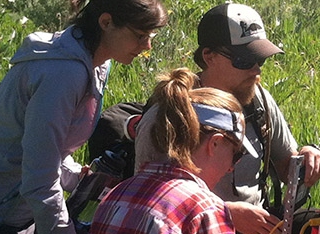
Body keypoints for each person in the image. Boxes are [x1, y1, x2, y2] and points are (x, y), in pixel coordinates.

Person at [0, 0, 168, 234]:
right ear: (106, 22)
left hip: (16, 211)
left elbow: (44, 152)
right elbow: (38, 178)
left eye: (151, 36)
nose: (147, 45)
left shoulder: (96, 63)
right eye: (139, 35)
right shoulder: (63, 74)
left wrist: (80, 178)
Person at [135, 2, 320, 234]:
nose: (256, 71)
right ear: (209, 56)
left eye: (261, 60)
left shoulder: (259, 99)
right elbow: (149, 199)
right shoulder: (169, 113)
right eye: (244, 61)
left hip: (262, 224)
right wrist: (224, 213)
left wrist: (306, 157)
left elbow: (287, 166)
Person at [90, 68, 257, 234]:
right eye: (236, 155)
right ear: (215, 143)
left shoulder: (118, 194)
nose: (231, 167)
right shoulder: (205, 210)